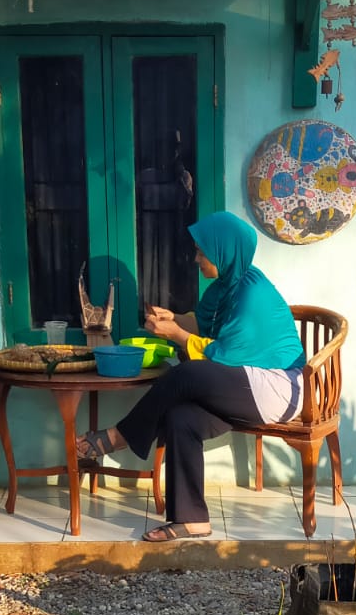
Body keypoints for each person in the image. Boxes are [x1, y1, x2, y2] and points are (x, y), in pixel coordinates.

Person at [75, 211, 306, 542]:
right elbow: (203, 324)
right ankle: (191, 519)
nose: (196, 259)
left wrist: (175, 335)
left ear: (222, 251)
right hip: (245, 385)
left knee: (185, 375)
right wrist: (174, 319)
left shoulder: (251, 294)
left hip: (278, 388)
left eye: (201, 252)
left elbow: (222, 355)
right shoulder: (226, 285)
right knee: (181, 417)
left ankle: (117, 436)